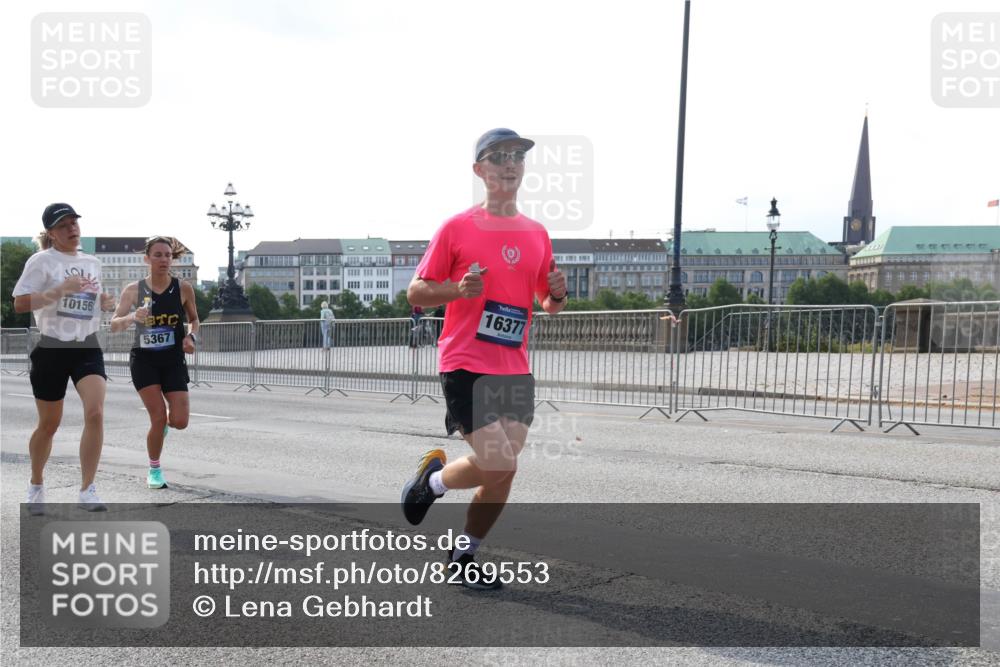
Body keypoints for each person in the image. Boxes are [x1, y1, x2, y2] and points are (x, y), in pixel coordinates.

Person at [401, 129, 568, 589]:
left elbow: (545, 302)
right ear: (480, 171)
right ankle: (431, 486)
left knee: (501, 472)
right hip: (465, 362)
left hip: (514, 367)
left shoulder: (537, 233)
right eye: (497, 157)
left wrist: (557, 295)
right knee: (501, 463)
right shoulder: (457, 228)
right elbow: (416, 291)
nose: (509, 164)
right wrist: (457, 289)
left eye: (516, 156)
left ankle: (462, 552)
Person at [13, 203, 116, 513]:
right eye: (63, 225)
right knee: (48, 425)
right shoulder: (41, 261)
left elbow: (91, 301)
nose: (72, 229)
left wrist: (105, 302)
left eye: (74, 222)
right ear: (51, 234)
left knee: (95, 413)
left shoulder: (92, 263)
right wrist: (58, 290)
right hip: (51, 348)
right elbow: (20, 304)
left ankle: (87, 489)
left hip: (86, 345)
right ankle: (36, 483)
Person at [110, 236, 199, 489]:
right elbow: (114, 325)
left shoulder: (183, 288)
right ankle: (155, 470)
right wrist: (131, 316)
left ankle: (163, 429)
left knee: (179, 421)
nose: (163, 260)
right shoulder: (133, 290)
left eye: (167, 255)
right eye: (158, 255)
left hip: (173, 360)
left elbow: (194, 319)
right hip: (144, 361)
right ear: (147, 258)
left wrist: (191, 336)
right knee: (158, 417)